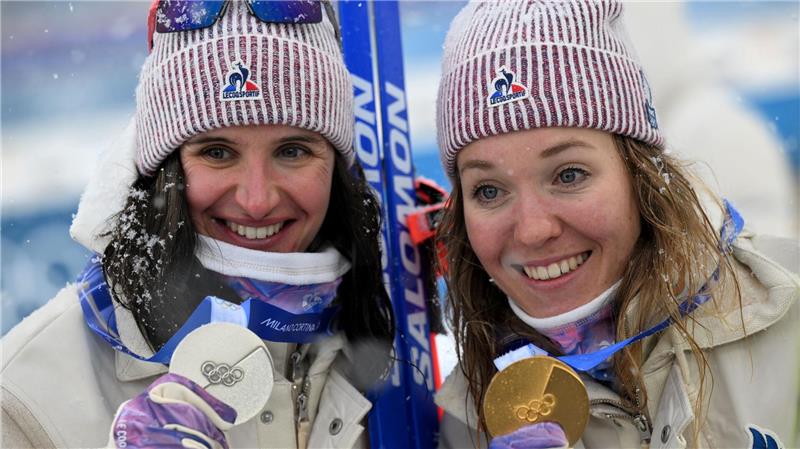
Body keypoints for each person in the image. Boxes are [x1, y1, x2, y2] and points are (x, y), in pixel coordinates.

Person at [1, 1, 393, 448]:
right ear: (163, 172)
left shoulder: (394, 337)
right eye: (218, 153)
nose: (257, 199)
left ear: (337, 168)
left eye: (292, 151)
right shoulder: (23, 395)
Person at [432, 1, 800, 448]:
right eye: (488, 190)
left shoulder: (789, 320)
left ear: (639, 175)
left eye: (569, 175)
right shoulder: (467, 416)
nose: (531, 230)